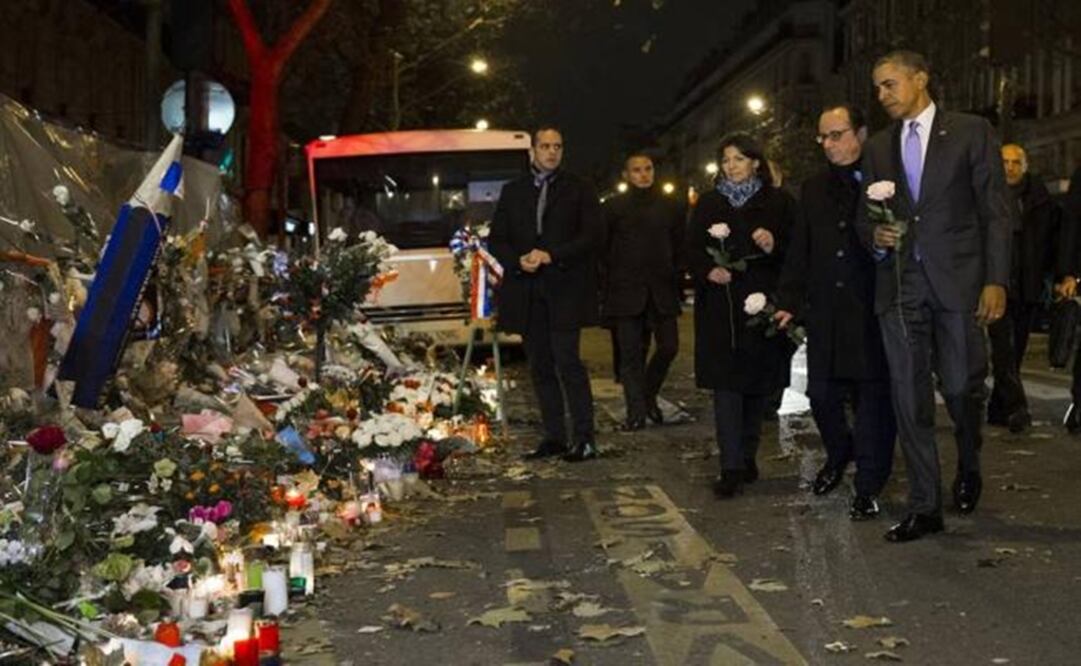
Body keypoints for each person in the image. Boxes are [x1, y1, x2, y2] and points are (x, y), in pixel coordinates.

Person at [858, 51, 1012, 542]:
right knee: (908, 394)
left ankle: (968, 461)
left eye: (889, 84)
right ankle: (925, 505)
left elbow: (995, 210)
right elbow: (864, 216)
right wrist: (874, 236)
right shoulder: (877, 147)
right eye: (877, 87)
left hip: (959, 282)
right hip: (901, 285)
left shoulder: (971, 131)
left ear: (920, 79)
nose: (881, 95)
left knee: (962, 386)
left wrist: (995, 279)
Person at [775, 104, 896, 520]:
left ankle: (868, 486)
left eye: (836, 135)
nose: (828, 144)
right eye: (823, 137)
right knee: (822, 395)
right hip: (826, 309)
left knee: (872, 401)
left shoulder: (886, 180)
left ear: (860, 134)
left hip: (870, 307)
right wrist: (788, 300)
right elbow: (801, 248)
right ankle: (839, 453)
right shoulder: (812, 188)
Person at [686, 132, 797, 498]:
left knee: (757, 387)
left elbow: (798, 251)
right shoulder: (709, 203)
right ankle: (730, 465)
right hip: (720, 309)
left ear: (755, 162)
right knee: (727, 387)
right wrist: (708, 270)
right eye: (726, 160)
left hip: (761, 306)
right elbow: (691, 248)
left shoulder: (778, 202)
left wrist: (773, 244)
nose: (731, 166)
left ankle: (747, 454)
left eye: (738, 159)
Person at [489, 126, 603, 462]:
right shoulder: (513, 190)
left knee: (568, 363)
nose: (552, 152)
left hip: (565, 290)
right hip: (527, 291)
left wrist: (552, 255)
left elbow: (593, 236)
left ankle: (584, 438)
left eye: (558, 146)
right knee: (540, 366)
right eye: (545, 146)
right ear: (532, 151)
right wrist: (518, 261)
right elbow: (497, 239)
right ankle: (554, 437)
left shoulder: (579, 188)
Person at [988, 144, 1076, 433]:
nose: (1010, 167)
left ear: (1024, 166)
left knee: (1016, 350)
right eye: (1005, 162)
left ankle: (997, 408)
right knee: (1003, 348)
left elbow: (1054, 239)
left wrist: (1060, 276)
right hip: (998, 283)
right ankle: (1017, 408)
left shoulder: (1040, 198)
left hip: (1028, 285)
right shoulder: (988, 194)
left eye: (1016, 162)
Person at [600, 153, 685, 430]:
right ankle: (635, 413)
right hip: (625, 291)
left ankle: (648, 395)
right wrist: (608, 284)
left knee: (669, 347)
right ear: (626, 175)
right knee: (630, 356)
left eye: (648, 169)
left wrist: (676, 273)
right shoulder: (613, 208)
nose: (644, 174)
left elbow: (679, 243)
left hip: (662, 289)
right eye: (637, 170)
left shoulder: (671, 206)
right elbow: (602, 249)